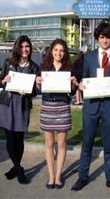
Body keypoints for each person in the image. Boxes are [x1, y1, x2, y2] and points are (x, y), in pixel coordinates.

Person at [71, 22, 110, 193]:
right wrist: (80, 85)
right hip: (91, 107)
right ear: (97, 38)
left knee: (109, 145)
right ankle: (83, 177)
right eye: (102, 37)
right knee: (87, 144)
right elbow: (83, 78)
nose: (105, 40)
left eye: (108, 37)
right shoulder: (88, 57)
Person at [0, 35, 40, 184]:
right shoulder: (9, 63)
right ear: (17, 48)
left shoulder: (34, 67)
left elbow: (36, 91)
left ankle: (15, 168)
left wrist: (29, 91)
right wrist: (4, 81)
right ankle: (19, 169)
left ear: (30, 48)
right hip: (7, 104)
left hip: (22, 105)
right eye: (22, 46)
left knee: (19, 138)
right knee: (10, 138)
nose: (24, 49)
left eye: (27, 46)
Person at [36, 39, 77, 189]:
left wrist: (74, 85)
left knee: (61, 144)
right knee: (48, 144)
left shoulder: (69, 68)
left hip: (62, 107)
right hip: (47, 107)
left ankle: (58, 176)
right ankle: (51, 176)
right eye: (56, 50)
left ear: (65, 52)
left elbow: (72, 92)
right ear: (51, 51)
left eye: (62, 50)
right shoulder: (44, 67)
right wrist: (38, 83)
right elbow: (39, 90)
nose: (58, 53)